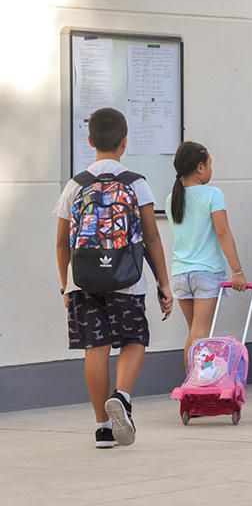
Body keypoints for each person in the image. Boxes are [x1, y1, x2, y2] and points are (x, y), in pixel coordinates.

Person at [54, 107, 174, 448]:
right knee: (135, 339)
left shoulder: (75, 185)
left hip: (84, 280)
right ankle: (121, 396)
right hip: (128, 277)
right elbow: (151, 237)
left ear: (90, 141)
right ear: (124, 143)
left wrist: (65, 283)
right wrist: (164, 284)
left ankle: (103, 428)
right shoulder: (136, 183)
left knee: (96, 347)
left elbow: (62, 241)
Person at [166, 141, 248, 370]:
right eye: (210, 163)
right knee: (201, 332)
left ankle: (189, 384)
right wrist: (237, 270)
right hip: (206, 273)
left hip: (180, 273)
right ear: (200, 167)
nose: (212, 168)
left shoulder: (171, 198)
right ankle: (197, 385)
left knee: (194, 330)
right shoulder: (213, 194)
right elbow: (222, 232)